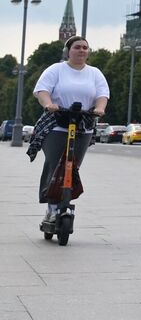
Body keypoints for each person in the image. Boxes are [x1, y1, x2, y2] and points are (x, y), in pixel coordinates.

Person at [30, 36, 109, 228]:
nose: (81, 50)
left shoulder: (94, 73)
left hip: (83, 123)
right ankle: (51, 207)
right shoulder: (56, 69)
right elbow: (42, 90)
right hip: (57, 122)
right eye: (77, 47)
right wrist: (49, 104)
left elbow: (102, 95)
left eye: (85, 48)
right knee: (55, 162)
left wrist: (99, 108)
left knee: (73, 165)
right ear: (68, 50)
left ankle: (65, 199)